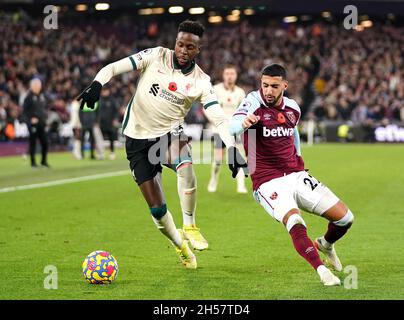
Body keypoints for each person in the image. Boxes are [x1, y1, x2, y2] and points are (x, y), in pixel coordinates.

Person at [77, 20, 247, 269]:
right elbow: (114, 67)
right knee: (157, 210)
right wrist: (97, 83)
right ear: (175, 42)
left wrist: (231, 146)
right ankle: (181, 246)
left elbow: (218, 116)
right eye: (180, 44)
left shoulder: (201, 81)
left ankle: (190, 225)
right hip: (136, 138)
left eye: (190, 47)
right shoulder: (156, 55)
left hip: (168, 136)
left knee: (186, 165)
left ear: (198, 50)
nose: (183, 50)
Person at [229, 64, 354, 286]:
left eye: (274, 86)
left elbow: (293, 132)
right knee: (295, 221)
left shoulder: (293, 108)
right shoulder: (252, 102)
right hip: (267, 181)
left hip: (296, 174)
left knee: (345, 218)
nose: (268, 90)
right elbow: (233, 125)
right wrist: (243, 123)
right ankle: (322, 270)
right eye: (265, 85)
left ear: (285, 86)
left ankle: (325, 244)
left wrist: (299, 160)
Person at [207, 65, 247, 193]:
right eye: (227, 73)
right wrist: (214, 121)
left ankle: (241, 186)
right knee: (218, 159)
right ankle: (213, 180)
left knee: (239, 156)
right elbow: (206, 107)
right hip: (219, 130)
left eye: (232, 73)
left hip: (235, 130)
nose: (230, 76)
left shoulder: (240, 92)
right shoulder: (215, 90)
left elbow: (245, 110)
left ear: (236, 76)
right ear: (223, 75)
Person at [22, 78, 50, 168]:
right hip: (33, 125)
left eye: (39, 85)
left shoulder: (42, 96)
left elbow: (43, 109)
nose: (39, 87)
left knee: (45, 142)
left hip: (42, 123)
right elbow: (25, 112)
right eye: (37, 85)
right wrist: (30, 120)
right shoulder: (28, 97)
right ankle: (33, 163)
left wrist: (45, 118)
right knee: (33, 143)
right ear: (32, 86)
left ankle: (43, 161)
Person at [99, 87, 120, 160]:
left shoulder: (112, 100)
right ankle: (101, 153)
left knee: (111, 138)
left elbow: (116, 111)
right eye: (103, 91)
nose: (104, 92)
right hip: (101, 123)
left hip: (110, 123)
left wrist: (115, 119)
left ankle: (112, 152)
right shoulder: (99, 100)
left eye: (105, 91)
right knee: (100, 139)